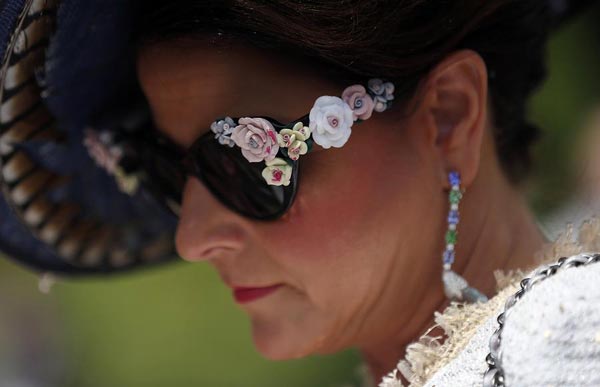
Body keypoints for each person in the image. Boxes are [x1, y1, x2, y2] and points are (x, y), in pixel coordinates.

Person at [0, 1, 598, 386]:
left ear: (448, 116)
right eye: (160, 168)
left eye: (241, 160)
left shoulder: (569, 337)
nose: (192, 238)